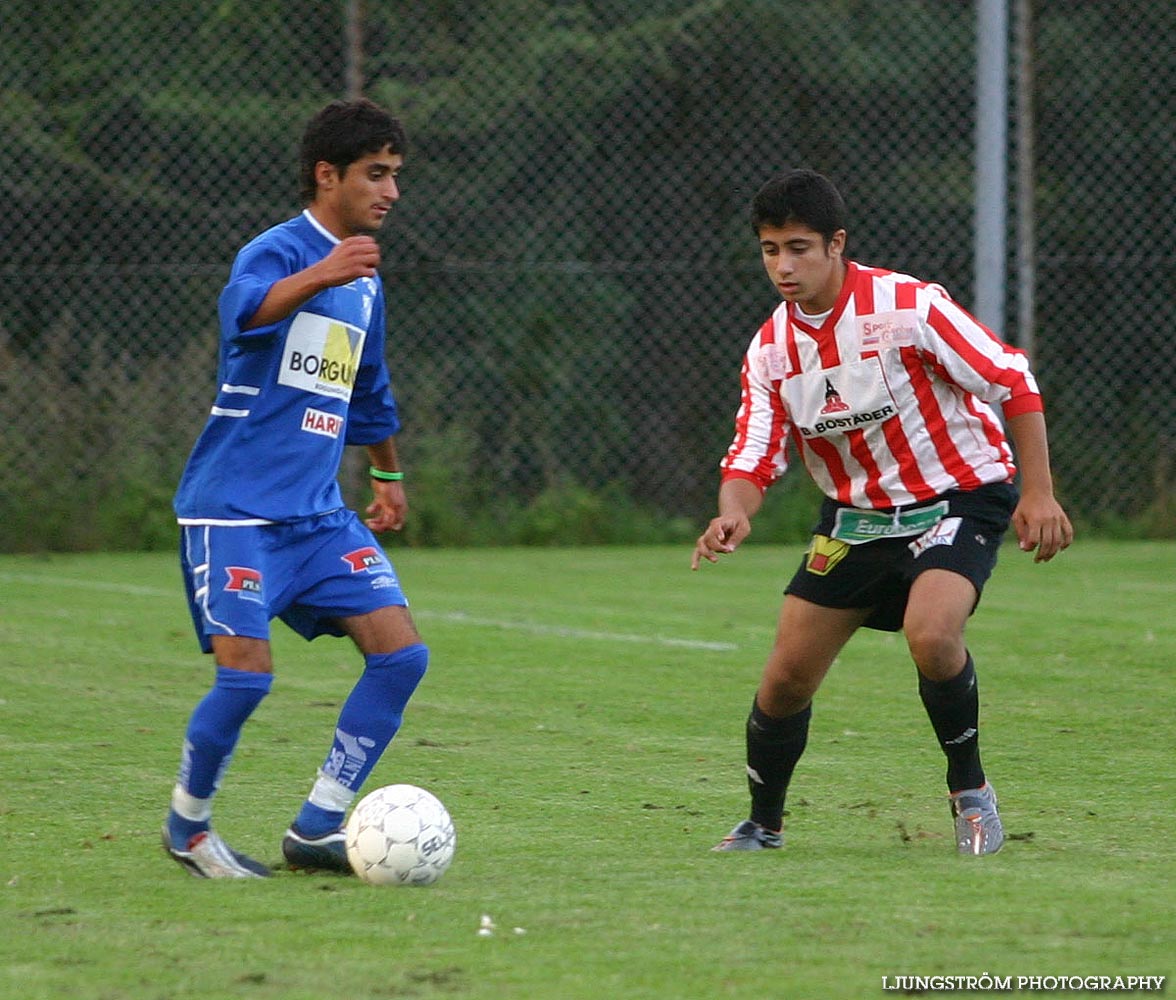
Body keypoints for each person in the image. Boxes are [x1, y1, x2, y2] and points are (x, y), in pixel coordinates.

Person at [691, 169, 1072, 857]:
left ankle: (971, 794)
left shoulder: (907, 308)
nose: (783, 265)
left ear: (837, 244)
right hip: (858, 518)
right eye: (770, 249)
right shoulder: (772, 349)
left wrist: (1039, 493)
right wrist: (733, 513)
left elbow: (1011, 377)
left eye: (799, 247)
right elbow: (752, 454)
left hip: (957, 497)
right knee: (785, 678)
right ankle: (763, 824)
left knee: (932, 634)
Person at [162, 99, 428, 878]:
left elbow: (369, 388)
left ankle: (317, 825)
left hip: (317, 518)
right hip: (233, 508)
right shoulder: (280, 252)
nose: (391, 191)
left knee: (401, 656)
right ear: (327, 175)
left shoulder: (365, 282)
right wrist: (321, 272)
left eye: (395, 176)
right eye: (375, 174)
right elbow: (243, 312)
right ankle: (189, 828)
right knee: (246, 675)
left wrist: (387, 471)